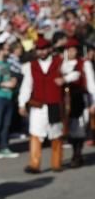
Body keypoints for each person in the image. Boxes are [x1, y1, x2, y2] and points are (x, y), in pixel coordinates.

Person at [18, 35, 66, 173]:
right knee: (35, 134)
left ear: (49, 49)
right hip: (38, 105)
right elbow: (27, 86)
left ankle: (57, 163)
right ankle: (34, 164)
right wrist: (21, 103)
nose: (42, 52)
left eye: (44, 49)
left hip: (55, 103)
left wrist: (65, 78)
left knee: (56, 134)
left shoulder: (59, 62)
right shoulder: (31, 66)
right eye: (39, 49)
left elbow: (72, 72)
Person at [62, 37, 95, 167]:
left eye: (73, 50)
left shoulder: (84, 63)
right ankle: (74, 151)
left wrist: (94, 102)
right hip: (65, 100)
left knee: (80, 127)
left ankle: (77, 154)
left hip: (80, 98)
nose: (71, 52)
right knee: (70, 128)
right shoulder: (62, 65)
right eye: (69, 50)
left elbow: (91, 84)